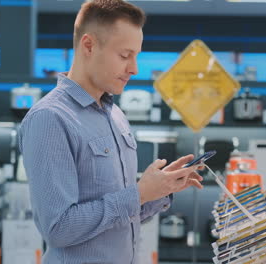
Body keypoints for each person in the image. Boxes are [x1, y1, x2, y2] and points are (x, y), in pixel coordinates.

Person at [18, 0, 204, 263]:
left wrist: (160, 189)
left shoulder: (115, 115)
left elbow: (122, 215)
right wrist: (138, 193)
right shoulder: (50, 118)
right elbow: (58, 229)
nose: (134, 68)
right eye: (125, 55)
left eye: (136, 56)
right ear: (89, 46)